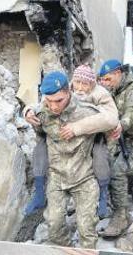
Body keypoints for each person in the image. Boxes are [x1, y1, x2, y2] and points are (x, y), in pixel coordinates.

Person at [23, 65, 120, 219]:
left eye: (85, 84)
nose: (80, 87)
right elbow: (43, 104)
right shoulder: (63, 89)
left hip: (93, 132)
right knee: (41, 146)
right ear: (71, 83)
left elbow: (111, 118)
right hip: (64, 133)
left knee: (99, 155)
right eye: (77, 82)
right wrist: (28, 110)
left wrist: (78, 127)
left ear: (93, 84)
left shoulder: (100, 93)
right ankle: (40, 193)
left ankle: (102, 194)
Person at [30, 72, 103, 249]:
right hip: (57, 178)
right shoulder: (42, 115)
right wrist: (27, 110)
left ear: (68, 92)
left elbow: (107, 139)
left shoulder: (89, 113)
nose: (53, 106)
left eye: (59, 100)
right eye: (49, 100)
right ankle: (68, 248)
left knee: (87, 229)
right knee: (54, 226)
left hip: (84, 178)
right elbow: (39, 134)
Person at [98, 60, 133, 238]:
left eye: (108, 79)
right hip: (123, 138)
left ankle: (121, 217)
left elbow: (132, 115)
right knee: (105, 161)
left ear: (119, 73)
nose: (105, 83)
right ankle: (113, 201)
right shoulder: (115, 90)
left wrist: (121, 124)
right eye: (102, 80)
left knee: (119, 170)